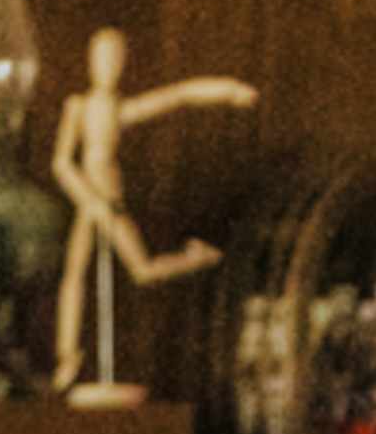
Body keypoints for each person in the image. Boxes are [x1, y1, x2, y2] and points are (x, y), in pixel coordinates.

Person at [49, 29, 258, 397]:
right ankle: (67, 356)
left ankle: (193, 259)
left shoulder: (122, 110)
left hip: (110, 200)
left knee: (141, 270)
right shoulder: (78, 107)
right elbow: (62, 163)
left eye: (116, 60)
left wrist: (228, 90)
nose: (109, 67)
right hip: (92, 201)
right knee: (75, 273)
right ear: (90, 62)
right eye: (103, 58)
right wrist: (87, 197)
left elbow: (179, 95)